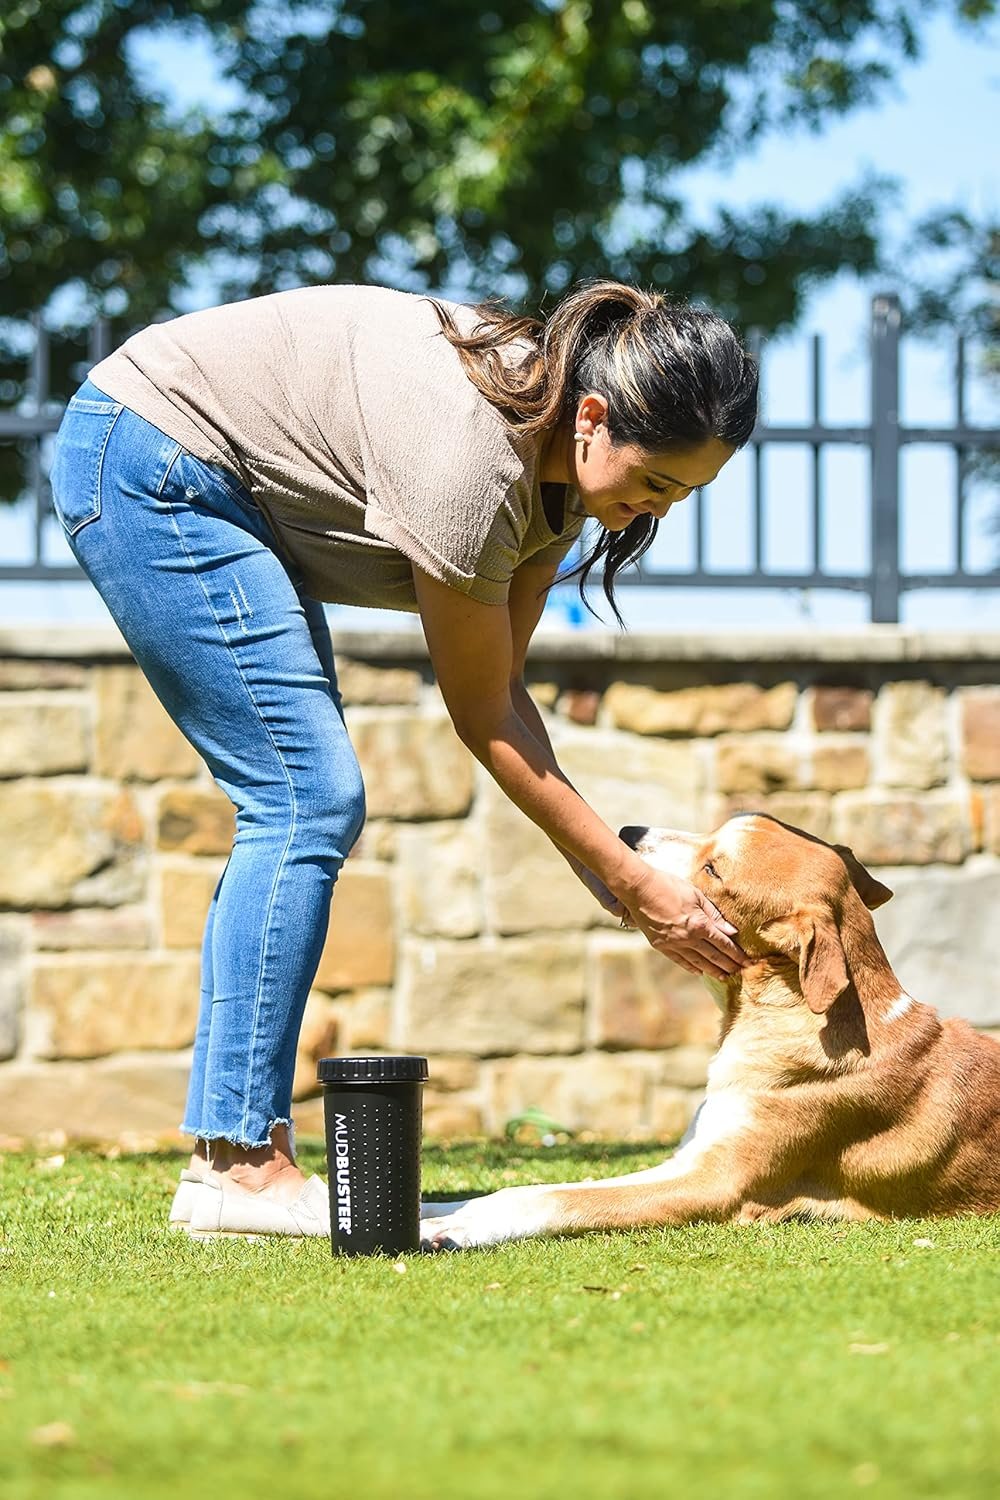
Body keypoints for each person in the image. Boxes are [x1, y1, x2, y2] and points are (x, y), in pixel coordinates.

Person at [48, 279, 759, 1237]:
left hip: (216, 477)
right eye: (657, 482)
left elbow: (502, 688)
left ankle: (229, 1160)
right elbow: (478, 712)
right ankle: (237, 1167)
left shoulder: (555, 482)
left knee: (305, 797)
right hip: (152, 454)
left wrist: (614, 871)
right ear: (592, 418)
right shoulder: (474, 460)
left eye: (680, 497)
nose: (647, 515)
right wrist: (626, 877)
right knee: (305, 798)